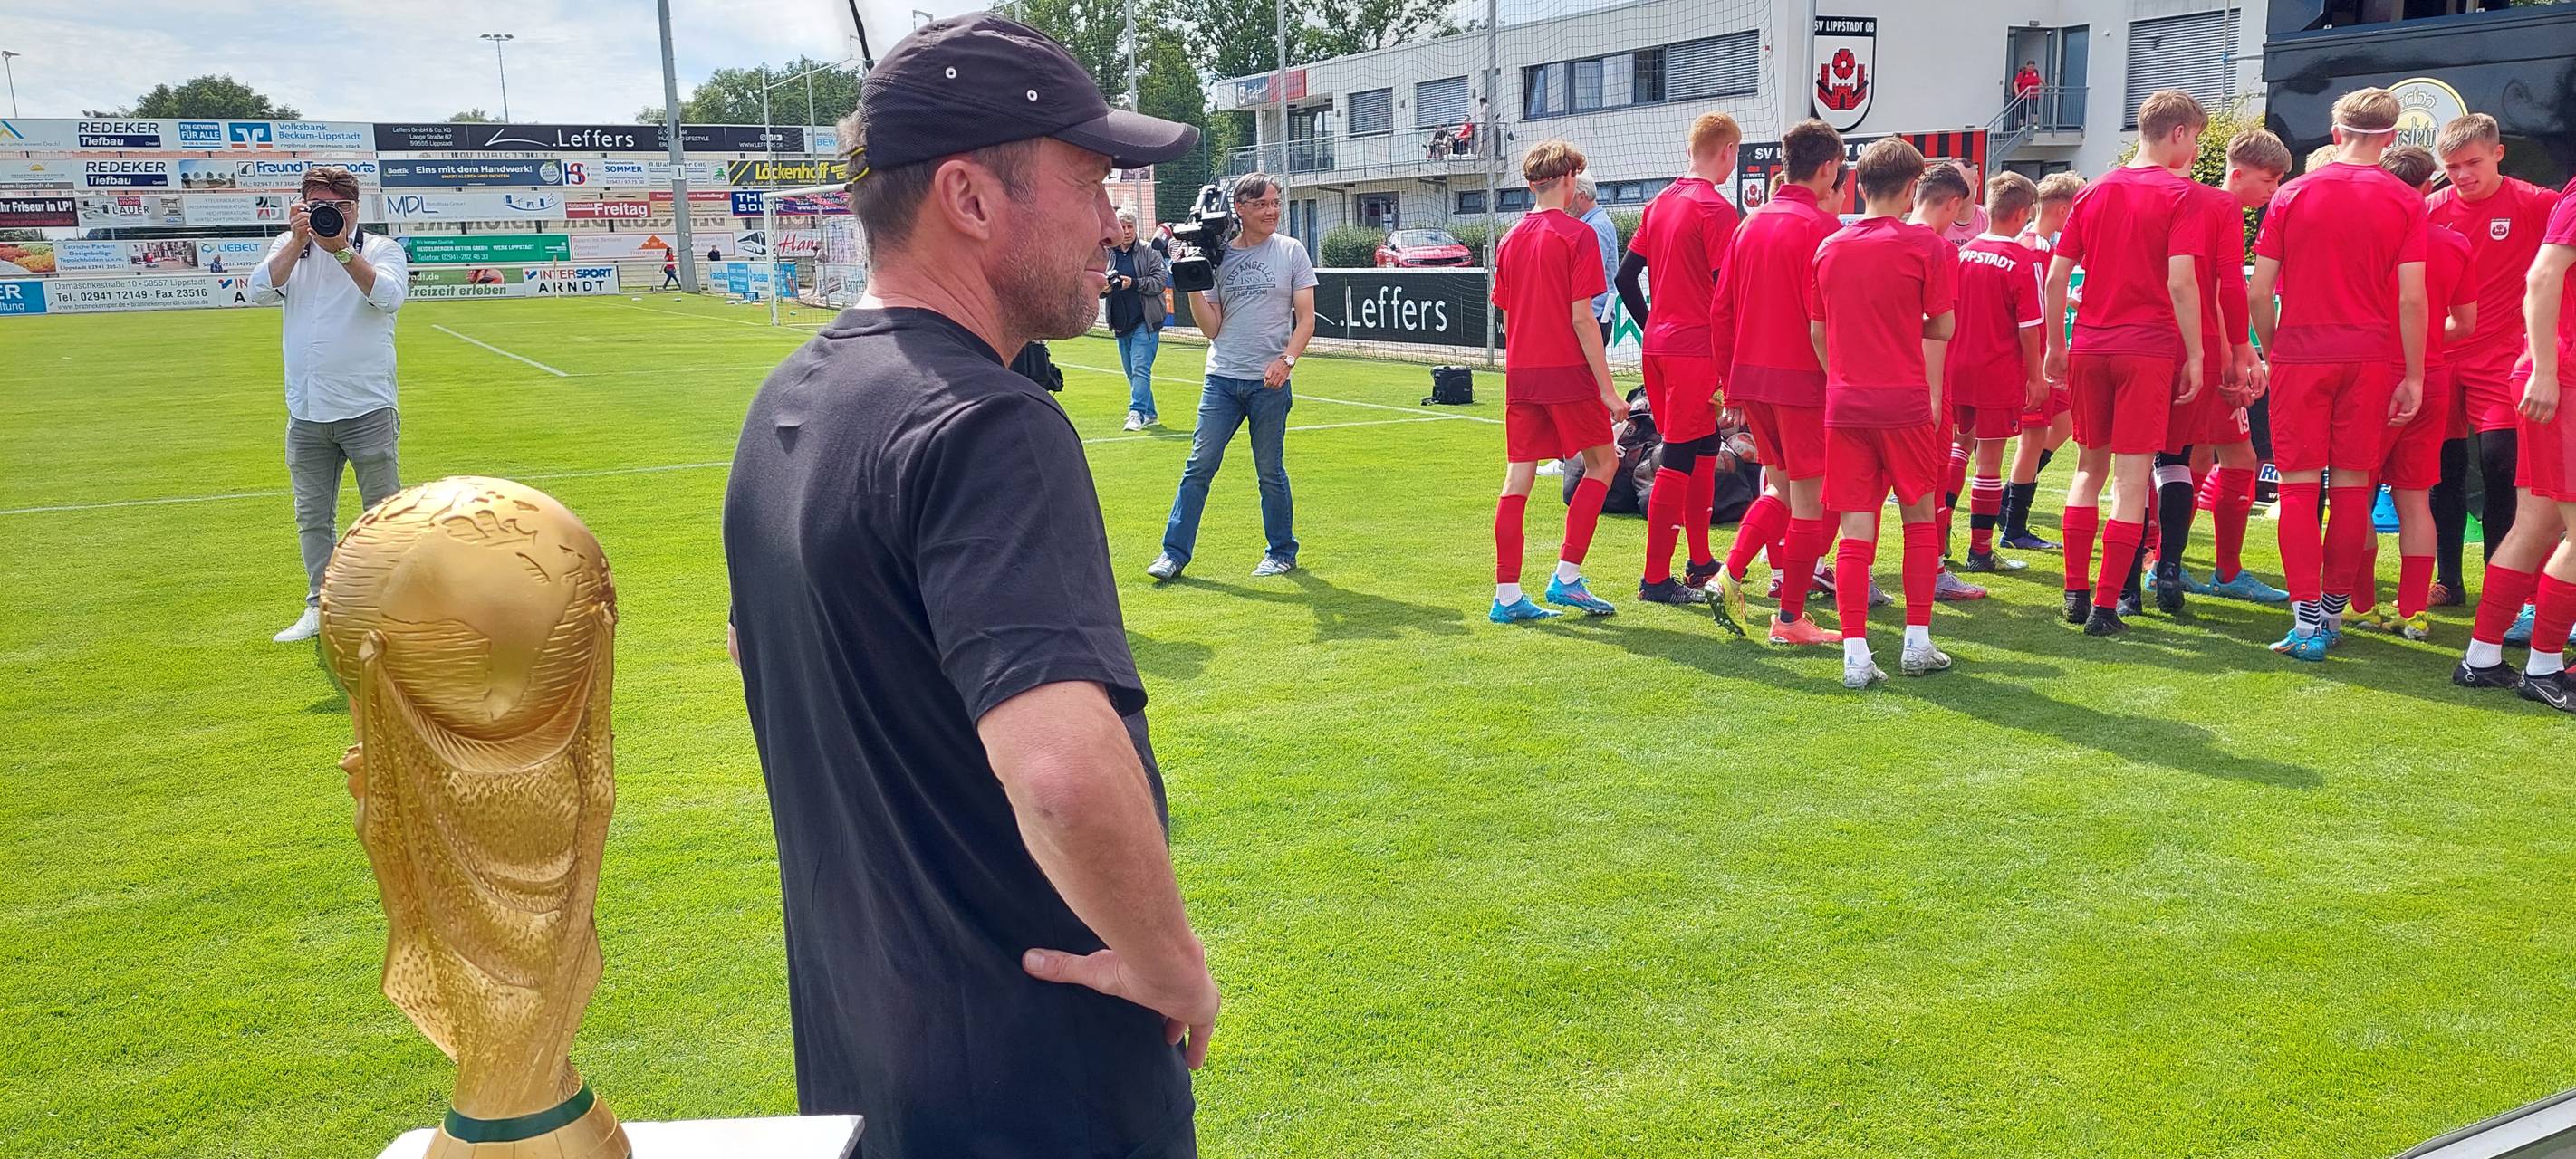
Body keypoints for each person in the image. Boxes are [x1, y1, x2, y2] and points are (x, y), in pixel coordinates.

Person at [720, 15, 1216, 1154]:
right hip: (1033, 1083)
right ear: (970, 197)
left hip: (868, 1058)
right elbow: (1059, 769)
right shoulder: (987, 425)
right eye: (1089, 182)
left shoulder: (786, 402)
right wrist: (1170, 963)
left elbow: (759, 653)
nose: (1114, 220)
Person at [2249, 86, 2429, 662]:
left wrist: (2275, 350)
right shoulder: (2406, 201)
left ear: (2335, 133)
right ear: (2391, 138)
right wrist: (2414, 375)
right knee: (2353, 490)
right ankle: (2330, 615)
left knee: (2300, 490)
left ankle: (2307, 625)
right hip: (2370, 357)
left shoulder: (2293, 194)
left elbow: (2259, 291)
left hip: (2303, 354)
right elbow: (2413, 299)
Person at [2043, 89, 2206, 637]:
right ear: (2178, 133)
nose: (2194, 150)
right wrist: (2197, 353)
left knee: (2088, 471)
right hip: (2147, 348)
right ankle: (2106, 607)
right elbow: (2182, 283)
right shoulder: (2180, 194)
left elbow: (2057, 276)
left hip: (2090, 343)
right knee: (2131, 481)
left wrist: (2056, 344)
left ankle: (2074, 593)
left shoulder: (2092, 191)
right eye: (2194, 138)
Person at [1808, 137, 1958, 687]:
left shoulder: (1829, 247)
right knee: (1919, 518)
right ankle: (1916, 642)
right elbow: (1943, 326)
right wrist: (1899, 322)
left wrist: (1844, 374)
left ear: (1857, 184)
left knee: (1854, 529)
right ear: (1912, 187)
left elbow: (1818, 332)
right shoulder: (1924, 246)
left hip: (1846, 403)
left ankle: (1855, 655)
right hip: (1904, 402)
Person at [249, 164, 409, 644]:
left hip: (367, 406)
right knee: (312, 516)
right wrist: (299, 240)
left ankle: (387, 610)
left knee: (382, 515)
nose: (332, 215)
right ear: (302, 206)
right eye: (321, 207)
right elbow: (257, 292)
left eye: (341, 207)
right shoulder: (288, 246)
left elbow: (389, 297)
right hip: (306, 410)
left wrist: (340, 249)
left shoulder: (380, 249)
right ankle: (320, 605)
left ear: (356, 208)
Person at [1711, 118, 1848, 646]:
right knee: (1809, 499)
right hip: (1804, 382)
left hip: (1754, 381)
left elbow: (1721, 311)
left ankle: (1729, 574)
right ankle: (1789, 619)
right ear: (1829, 168)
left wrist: (1731, 385)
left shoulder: (1748, 225)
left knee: (1783, 490)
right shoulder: (1824, 230)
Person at [2142, 129, 2286, 615]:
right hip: (2207, 352)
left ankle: (2168, 560)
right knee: (2228, 455)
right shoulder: (2214, 207)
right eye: (2268, 180)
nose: (2273, 191)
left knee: (2192, 454)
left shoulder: (2200, 204)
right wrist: (2237, 356)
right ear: (2237, 174)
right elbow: (2217, 293)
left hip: (2197, 349)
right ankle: (2212, 568)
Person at [1147, 171, 1316, 580]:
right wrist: (1192, 282)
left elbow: (1307, 318)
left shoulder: (1291, 251)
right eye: (1261, 205)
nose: (1271, 211)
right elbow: (1212, 328)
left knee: (1270, 472)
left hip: (1270, 384)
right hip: (1221, 380)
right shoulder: (1218, 256)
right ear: (1239, 208)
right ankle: (1173, 554)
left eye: (1275, 203)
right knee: (1199, 466)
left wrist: (1287, 361)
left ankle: (1282, 552)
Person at [1488, 139, 1629, 623]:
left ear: (1531, 184)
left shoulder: (1510, 239)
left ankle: (1507, 595)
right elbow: (1583, 319)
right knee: (1603, 463)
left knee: (1518, 478)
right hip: (1567, 373)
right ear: (1569, 180)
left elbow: (1508, 316)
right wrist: (1608, 390)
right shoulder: (1578, 235)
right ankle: (1566, 576)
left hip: (1522, 376)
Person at [2430, 113, 2562, 608]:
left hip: (2502, 358)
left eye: (2473, 163)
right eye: (2452, 167)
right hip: (2443, 354)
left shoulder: (2537, 203)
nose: (2463, 175)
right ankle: (2448, 580)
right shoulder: (2430, 209)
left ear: (2498, 153)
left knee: (2500, 466)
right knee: (2443, 472)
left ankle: (2498, 585)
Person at [2455, 172, 2576, 711]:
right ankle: (2543, 668)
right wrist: (2546, 371)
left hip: (2554, 376)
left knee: (2536, 525)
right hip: (2562, 380)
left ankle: (2481, 659)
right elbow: (2542, 276)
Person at [1617, 111, 1742, 619]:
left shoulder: (1658, 203)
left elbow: (1625, 278)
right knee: (1681, 454)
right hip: (1696, 349)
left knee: (1704, 447)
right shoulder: (1716, 210)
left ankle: (1700, 561)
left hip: (1661, 347)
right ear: (1727, 152)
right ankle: (1655, 579)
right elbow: (1726, 296)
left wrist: (1655, 326)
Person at [2351, 145, 2479, 638]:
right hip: (2430, 376)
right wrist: (2421, 340)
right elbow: (2464, 324)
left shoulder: (2364, 240)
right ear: (2428, 187)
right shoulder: (2455, 244)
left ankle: (2360, 603)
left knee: (2355, 494)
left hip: (2373, 375)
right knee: (2415, 499)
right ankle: (2412, 610)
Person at [1946, 173, 2048, 577]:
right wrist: (2036, 377)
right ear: (2023, 213)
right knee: (1989, 461)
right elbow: (2029, 326)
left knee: (1957, 448)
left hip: (1958, 366)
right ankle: (1981, 550)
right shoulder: (2023, 260)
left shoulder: (1963, 253)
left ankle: (1940, 537)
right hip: (1996, 370)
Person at [1908, 160, 1992, 602]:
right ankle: (1934, 572)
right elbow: (1937, 329)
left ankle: (1829, 571)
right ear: (1954, 203)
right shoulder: (1939, 250)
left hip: (1867, 385)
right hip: (1922, 385)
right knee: (1931, 484)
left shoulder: (1874, 238)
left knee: (1864, 492)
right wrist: (1935, 395)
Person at [2000, 170, 2082, 550]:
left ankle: (2007, 503)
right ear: (2064, 210)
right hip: (2036, 358)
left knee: (2063, 425)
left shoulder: (2039, 244)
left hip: (2045, 354)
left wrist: (2068, 301)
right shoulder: (2035, 247)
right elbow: (2028, 305)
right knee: (2031, 440)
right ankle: (2013, 525)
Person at [1107, 207, 1170, 431]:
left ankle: (1136, 413)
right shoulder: (1108, 253)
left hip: (1146, 320)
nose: (1126, 231)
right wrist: (1103, 288)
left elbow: (1159, 282)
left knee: (1140, 368)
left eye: (1130, 227)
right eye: (1122, 227)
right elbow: (1098, 280)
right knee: (1131, 372)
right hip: (1120, 322)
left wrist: (1133, 283)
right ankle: (1150, 413)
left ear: (1136, 228)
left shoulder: (1149, 250)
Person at [1572, 174, 1620, 348]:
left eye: (1570, 196)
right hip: (1594, 315)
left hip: (1594, 316)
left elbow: (1589, 275)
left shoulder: (1595, 227)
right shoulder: (1595, 224)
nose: (1565, 203)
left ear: (1581, 196)